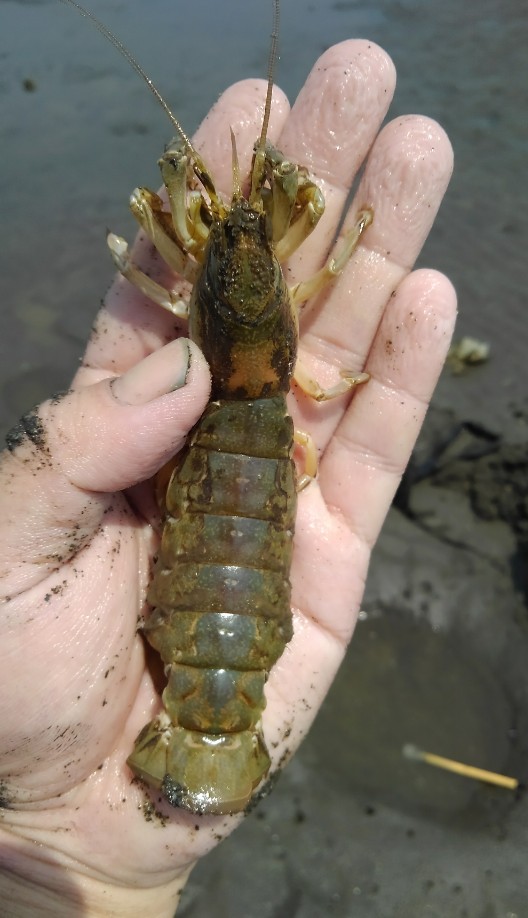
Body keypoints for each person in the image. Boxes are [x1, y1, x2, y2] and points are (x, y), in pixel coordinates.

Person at [0, 40, 455, 917]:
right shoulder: (286, 290)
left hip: (231, 450)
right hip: (259, 445)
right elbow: (316, 249)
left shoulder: (191, 295)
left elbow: (160, 253)